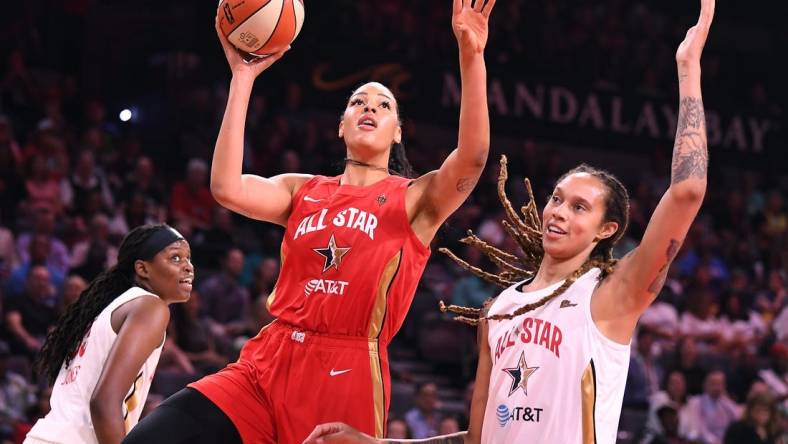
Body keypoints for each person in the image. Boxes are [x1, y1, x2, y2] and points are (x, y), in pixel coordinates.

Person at [304, 0, 715, 442]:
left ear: (607, 230)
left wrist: (688, 67)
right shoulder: (497, 312)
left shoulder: (612, 297)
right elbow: (478, 438)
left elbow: (687, 192)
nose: (557, 211)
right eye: (557, 198)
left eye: (579, 207)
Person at [125, 1, 496, 443]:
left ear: (397, 130)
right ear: (341, 125)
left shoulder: (415, 200)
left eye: (383, 104)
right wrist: (243, 78)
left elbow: (472, 157)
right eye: (357, 101)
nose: (368, 108)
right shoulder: (302, 189)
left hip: (346, 369)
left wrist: (472, 57)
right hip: (268, 359)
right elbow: (226, 187)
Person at [24, 224, 194, 444]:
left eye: (188, 258)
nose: (189, 267)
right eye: (176, 258)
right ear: (142, 269)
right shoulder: (150, 307)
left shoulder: (110, 309)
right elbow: (104, 403)